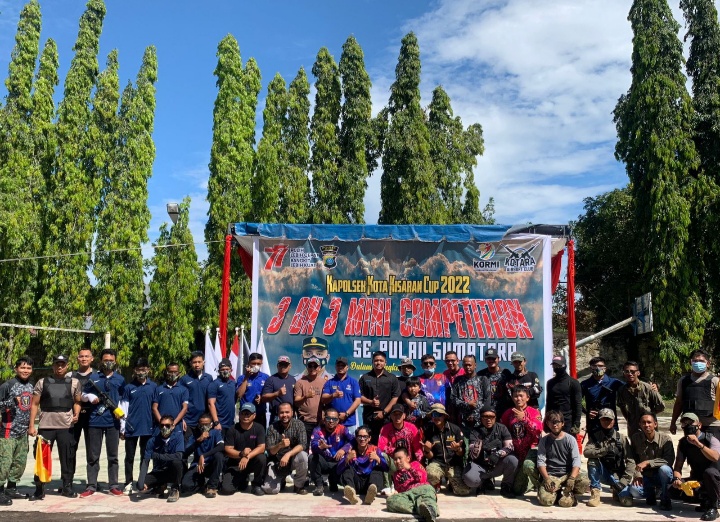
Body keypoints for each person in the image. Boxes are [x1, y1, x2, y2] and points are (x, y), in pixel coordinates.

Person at [28, 354, 81, 500]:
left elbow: (77, 401)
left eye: (63, 364)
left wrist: (76, 413)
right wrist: (31, 425)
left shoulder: (74, 382)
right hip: (46, 426)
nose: (60, 367)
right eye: (57, 364)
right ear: (53, 366)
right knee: (41, 457)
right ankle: (39, 489)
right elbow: (34, 404)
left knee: (67, 457)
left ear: (67, 366)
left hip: (66, 426)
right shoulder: (42, 382)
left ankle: (67, 487)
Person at [81, 348, 126, 497]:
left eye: (111, 360)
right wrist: (89, 397)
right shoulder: (93, 377)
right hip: (95, 421)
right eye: (106, 360)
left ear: (115, 361)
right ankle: (91, 485)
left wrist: (121, 413)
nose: (108, 363)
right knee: (93, 456)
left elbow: (124, 399)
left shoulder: (120, 379)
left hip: (113, 422)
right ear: (101, 361)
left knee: (113, 456)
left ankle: (113, 485)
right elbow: (82, 394)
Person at [533, 410, 590, 507]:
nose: (555, 425)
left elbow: (576, 460)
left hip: (568, 474)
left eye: (557, 422)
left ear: (562, 423)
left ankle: (570, 493)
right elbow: (541, 462)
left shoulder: (570, 439)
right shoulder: (544, 441)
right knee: (546, 501)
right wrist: (547, 479)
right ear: (547, 424)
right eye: (552, 422)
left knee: (584, 481)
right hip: (552, 475)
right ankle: (557, 493)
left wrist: (572, 478)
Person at [671, 412, 720, 520]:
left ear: (699, 425)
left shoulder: (711, 439)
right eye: (684, 423)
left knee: (709, 473)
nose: (687, 425)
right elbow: (678, 466)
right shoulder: (683, 443)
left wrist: (698, 444)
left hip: (715, 478)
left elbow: (715, 457)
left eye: (690, 422)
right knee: (672, 490)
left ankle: (713, 506)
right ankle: (704, 499)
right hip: (697, 478)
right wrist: (677, 479)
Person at [119, 357, 157, 492]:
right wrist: (123, 428)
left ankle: (142, 482)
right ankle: (128, 482)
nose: (141, 372)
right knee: (129, 457)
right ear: (135, 371)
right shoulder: (129, 387)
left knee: (145, 457)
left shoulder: (153, 387)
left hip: (148, 427)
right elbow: (123, 408)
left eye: (144, 369)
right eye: (139, 370)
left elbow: (156, 407)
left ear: (148, 370)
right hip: (131, 427)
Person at [583, 408, 635, 507]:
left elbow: (631, 461)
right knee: (592, 460)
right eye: (603, 419)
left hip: (618, 475)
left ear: (613, 420)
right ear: (600, 420)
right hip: (603, 473)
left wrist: (624, 482)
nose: (606, 422)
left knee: (627, 502)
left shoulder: (621, 438)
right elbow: (586, 452)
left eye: (609, 419)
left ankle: (616, 490)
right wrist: (604, 451)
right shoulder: (595, 437)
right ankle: (595, 491)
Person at [0, 356, 34, 504]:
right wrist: (12, 402)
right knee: (4, 463)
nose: (25, 370)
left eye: (28, 368)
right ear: (16, 369)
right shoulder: (8, 385)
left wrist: (30, 427)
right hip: (8, 431)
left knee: (20, 462)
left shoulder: (31, 386)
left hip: (22, 432)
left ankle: (11, 489)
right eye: (22, 367)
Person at [463, 405, 517, 497]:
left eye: (491, 417)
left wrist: (498, 454)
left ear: (495, 417)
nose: (488, 420)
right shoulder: (475, 431)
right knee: (469, 480)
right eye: (485, 417)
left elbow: (510, 446)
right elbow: (473, 454)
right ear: (481, 418)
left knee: (513, 460)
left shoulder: (502, 428)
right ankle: (482, 483)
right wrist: (481, 442)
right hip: (481, 464)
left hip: (497, 463)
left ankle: (506, 486)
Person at [500, 386, 543, 495]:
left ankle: (534, 481)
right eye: (515, 396)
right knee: (515, 488)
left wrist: (524, 419)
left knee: (518, 490)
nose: (518, 399)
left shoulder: (534, 412)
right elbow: (502, 432)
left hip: (530, 453)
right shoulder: (508, 413)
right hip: (515, 454)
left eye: (521, 396)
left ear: (527, 398)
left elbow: (538, 430)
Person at [628, 413, 675, 510]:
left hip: (661, 476)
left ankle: (665, 498)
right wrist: (637, 474)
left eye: (649, 422)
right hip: (646, 476)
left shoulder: (665, 439)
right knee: (634, 490)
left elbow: (669, 460)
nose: (646, 425)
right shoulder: (636, 438)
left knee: (665, 469)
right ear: (640, 425)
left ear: (655, 424)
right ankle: (651, 494)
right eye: (643, 423)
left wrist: (648, 462)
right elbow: (632, 459)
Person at [671, 349, 720, 438]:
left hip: (711, 425)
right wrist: (673, 422)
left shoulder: (715, 381)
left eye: (701, 361)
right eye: (695, 361)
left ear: (708, 363)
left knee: (712, 447)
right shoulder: (683, 381)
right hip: (690, 425)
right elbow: (678, 403)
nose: (698, 363)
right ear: (690, 362)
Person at [422, 403, 469, 496]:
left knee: (463, 491)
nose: (436, 417)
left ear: (444, 416)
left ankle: (451, 482)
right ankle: (437, 483)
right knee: (431, 474)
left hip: (453, 464)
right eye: (434, 415)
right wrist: (427, 450)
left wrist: (457, 449)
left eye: (439, 414)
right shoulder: (428, 431)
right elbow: (430, 456)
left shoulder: (455, 429)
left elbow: (462, 453)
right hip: (437, 463)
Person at [221, 403, 266, 496]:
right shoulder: (232, 429)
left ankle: (256, 485)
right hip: (235, 464)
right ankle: (243, 479)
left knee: (262, 458)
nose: (245, 416)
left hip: (252, 462)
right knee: (226, 490)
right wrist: (241, 454)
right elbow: (227, 449)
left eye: (248, 414)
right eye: (243, 413)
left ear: (254, 415)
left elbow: (261, 447)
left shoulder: (259, 428)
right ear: (239, 414)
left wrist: (247, 456)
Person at [336, 425, 388, 505]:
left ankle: (371, 493)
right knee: (347, 468)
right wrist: (347, 458)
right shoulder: (350, 450)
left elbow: (387, 468)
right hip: (355, 483)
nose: (362, 439)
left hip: (369, 483)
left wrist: (378, 458)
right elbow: (338, 471)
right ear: (356, 438)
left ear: (369, 438)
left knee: (377, 469)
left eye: (365, 437)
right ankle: (351, 492)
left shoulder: (375, 449)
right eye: (360, 436)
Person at [263, 402, 309, 495]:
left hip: (293, 459)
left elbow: (303, 445)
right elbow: (270, 451)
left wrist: (288, 454)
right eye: (282, 412)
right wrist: (279, 445)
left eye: (287, 412)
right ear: (278, 414)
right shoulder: (272, 428)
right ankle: (281, 480)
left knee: (303, 456)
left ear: (292, 412)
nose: (284, 415)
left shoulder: (299, 425)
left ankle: (299, 486)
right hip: (276, 461)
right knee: (269, 490)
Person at [137, 414, 184, 502]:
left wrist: (158, 456)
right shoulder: (153, 441)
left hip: (174, 471)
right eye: (162, 425)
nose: (164, 428)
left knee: (176, 462)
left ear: (173, 426)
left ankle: (175, 488)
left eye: (167, 425)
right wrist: (141, 481)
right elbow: (145, 461)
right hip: (160, 471)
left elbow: (178, 456)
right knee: (141, 484)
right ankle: (160, 485)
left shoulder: (178, 437)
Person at [387, 446, 439, 522]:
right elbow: (400, 491)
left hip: (423, 490)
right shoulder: (396, 475)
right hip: (409, 495)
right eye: (395, 459)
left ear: (408, 458)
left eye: (400, 458)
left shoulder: (415, 464)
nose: (397, 461)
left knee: (427, 497)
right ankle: (424, 510)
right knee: (390, 501)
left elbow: (422, 479)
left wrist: (409, 468)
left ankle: (430, 509)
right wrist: (395, 493)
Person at [309, 407, 353, 496]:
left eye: (334, 419)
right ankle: (319, 485)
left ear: (338, 420)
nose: (331, 421)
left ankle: (340, 483)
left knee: (349, 458)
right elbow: (313, 445)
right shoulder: (317, 430)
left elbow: (354, 441)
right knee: (312, 458)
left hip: (337, 462)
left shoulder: (343, 429)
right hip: (324, 461)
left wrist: (344, 449)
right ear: (324, 419)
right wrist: (320, 447)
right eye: (328, 418)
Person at [359, 351, 400, 444]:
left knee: (386, 443)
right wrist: (370, 402)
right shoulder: (365, 377)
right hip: (369, 417)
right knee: (369, 444)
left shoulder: (392, 378)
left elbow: (395, 397)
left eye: (381, 361)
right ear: (372, 362)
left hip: (386, 418)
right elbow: (359, 396)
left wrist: (384, 412)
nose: (378, 363)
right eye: (376, 360)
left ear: (385, 363)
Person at [181, 413, 224, 497]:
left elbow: (221, 446)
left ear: (211, 424)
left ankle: (212, 486)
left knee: (219, 456)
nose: (204, 426)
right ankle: (201, 485)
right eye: (202, 424)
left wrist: (204, 455)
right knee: (185, 486)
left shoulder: (216, 433)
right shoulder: (194, 435)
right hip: (198, 466)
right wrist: (199, 440)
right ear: (198, 424)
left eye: (206, 424)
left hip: (211, 465)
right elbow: (186, 452)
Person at [617, 360, 664, 435]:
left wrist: (650, 414)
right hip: (633, 427)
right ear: (624, 373)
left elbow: (661, 406)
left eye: (633, 372)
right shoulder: (622, 390)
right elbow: (621, 406)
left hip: (648, 426)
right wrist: (629, 420)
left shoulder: (648, 388)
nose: (630, 374)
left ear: (638, 373)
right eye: (627, 371)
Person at [580, 356, 623, 435]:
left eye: (600, 366)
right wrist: (587, 412)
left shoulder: (614, 382)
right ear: (590, 368)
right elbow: (576, 402)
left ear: (605, 368)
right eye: (594, 366)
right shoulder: (585, 384)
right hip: (593, 423)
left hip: (610, 421)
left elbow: (629, 389)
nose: (598, 368)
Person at [69, 348, 94, 477]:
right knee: (71, 448)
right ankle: (68, 480)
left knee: (92, 451)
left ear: (92, 358)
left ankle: (92, 481)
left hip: (92, 417)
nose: (84, 359)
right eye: (81, 356)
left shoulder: (97, 375)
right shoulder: (70, 376)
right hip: (74, 417)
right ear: (77, 358)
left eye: (87, 356)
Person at [450, 355, 491, 432]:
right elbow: (453, 399)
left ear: (475, 365)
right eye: (465, 365)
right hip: (462, 423)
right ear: (462, 366)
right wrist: (467, 404)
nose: (467, 367)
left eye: (469, 365)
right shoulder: (458, 380)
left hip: (480, 423)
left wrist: (475, 416)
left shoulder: (483, 379)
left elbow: (487, 401)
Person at [179, 351, 213, 439]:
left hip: (204, 421)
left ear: (203, 362)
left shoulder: (209, 378)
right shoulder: (184, 380)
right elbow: (180, 400)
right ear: (190, 363)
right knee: (188, 446)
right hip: (188, 421)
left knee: (202, 446)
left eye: (199, 362)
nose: (197, 364)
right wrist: (182, 419)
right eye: (194, 362)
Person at [545, 355, 582, 435]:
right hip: (553, 419)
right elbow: (549, 402)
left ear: (564, 366)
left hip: (568, 420)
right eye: (554, 365)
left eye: (558, 365)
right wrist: (546, 420)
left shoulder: (573, 383)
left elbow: (578, 404)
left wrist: (577, 423)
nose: (556, 368)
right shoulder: (550, 383)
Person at [321, 356, 361, 429]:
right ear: (335, 367)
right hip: (332, 422)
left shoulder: (353, 382)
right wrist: (333, 395)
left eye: (343, 365)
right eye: (338, 365)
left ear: (347, 367)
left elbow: (358, 400)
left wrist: (346, 414)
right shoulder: (329, 382)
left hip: (349, 422)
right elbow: (323, 399)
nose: (340, 367)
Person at [294, 356, 325, 442]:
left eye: (315, 366)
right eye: (310, 366)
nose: (312, 368)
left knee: (319, 445)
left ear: (319, 368)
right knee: (304, 445)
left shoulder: (324, 382)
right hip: (305, 421)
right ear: (307, 367)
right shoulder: (300, 382)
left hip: (320, 421)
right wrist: (306, 396)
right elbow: (296, 401)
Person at [152, 362, 189, 433]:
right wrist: (163, 423)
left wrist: (173, 424)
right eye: (170, 372)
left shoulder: (184, 390)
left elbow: (184, 408)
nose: (173, 374)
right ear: (166, 372)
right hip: (160, 427)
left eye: (175, 372)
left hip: (177, 426)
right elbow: (154, 408)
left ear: (179, 373)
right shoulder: (159, 389)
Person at [235, 352, 269, 428]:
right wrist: (246, 377)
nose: (256, 366)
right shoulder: (242, 378)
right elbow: (239, 395)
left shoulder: (266, 377)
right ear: (249, 363)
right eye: (253, 363)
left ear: (261, 363)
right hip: (245, 415)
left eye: (258, 364)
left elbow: (268, 395)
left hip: (260, 414)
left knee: (260, 435)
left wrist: (261, 398)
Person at [477, 348, 513, 418]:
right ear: (485, 360)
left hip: (503, 411)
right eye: (489, 359)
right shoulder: (481, 374)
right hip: (487, 412)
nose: (491, 361)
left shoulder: (506, 373)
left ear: (498, 359)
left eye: (493, 358)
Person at [261, 356, 296, 425]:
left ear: (290, 366)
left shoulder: (293, 380)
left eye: (285, 365)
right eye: (281, 365)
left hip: (290, 416)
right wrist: (277, 393)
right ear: (277, 366)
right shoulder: (271, 379)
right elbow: (264, 397)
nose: (283, 367)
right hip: (277, 416)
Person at [208, 358, 236, 433]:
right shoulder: (214, 384)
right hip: (220, 424)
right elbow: (211, 404)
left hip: (231, 423)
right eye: (223, 369)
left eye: (227, 369)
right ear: (219, 371)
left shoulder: (233, 383)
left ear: (231, 370)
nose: (225, 371)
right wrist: (216, 422)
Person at [442, 351, 464, 423]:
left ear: (457, 361)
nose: (450, 363)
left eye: (452, 360)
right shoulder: (445, 374)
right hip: (450, 409)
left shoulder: (464, 373)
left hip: (462, 409)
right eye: (447, 361)